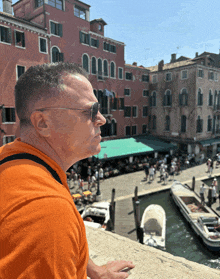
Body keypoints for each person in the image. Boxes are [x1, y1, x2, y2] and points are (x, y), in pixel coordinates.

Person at [0, 63, 134, 278]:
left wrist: (93, 270)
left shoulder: (12, 157)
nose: (102, 119)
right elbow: (49, 228)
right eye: (90, 111)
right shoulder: (47, 211)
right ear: (42, 123)